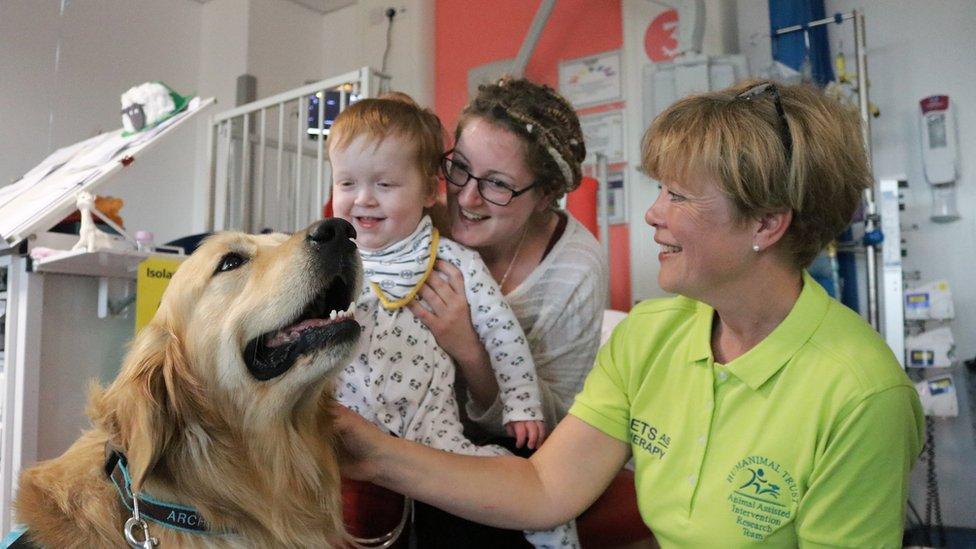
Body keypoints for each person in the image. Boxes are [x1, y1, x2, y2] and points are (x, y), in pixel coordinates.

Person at [335, 80, 926, 548]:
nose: (651, 215)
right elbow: (545, 488)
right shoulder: (651, 334)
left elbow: (534, 441)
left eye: (679, 195)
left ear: (767, 225)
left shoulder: (861, 397)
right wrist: (371, 451)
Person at [328, 92, 579, 548]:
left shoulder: (452, 259)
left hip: (432, 433)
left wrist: (522, 405)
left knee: (542, 512)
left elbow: (503, 333)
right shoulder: (335, 257)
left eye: (384, 185)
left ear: (428, 191)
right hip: (343, 426)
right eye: (346, 184)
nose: (363, 199)